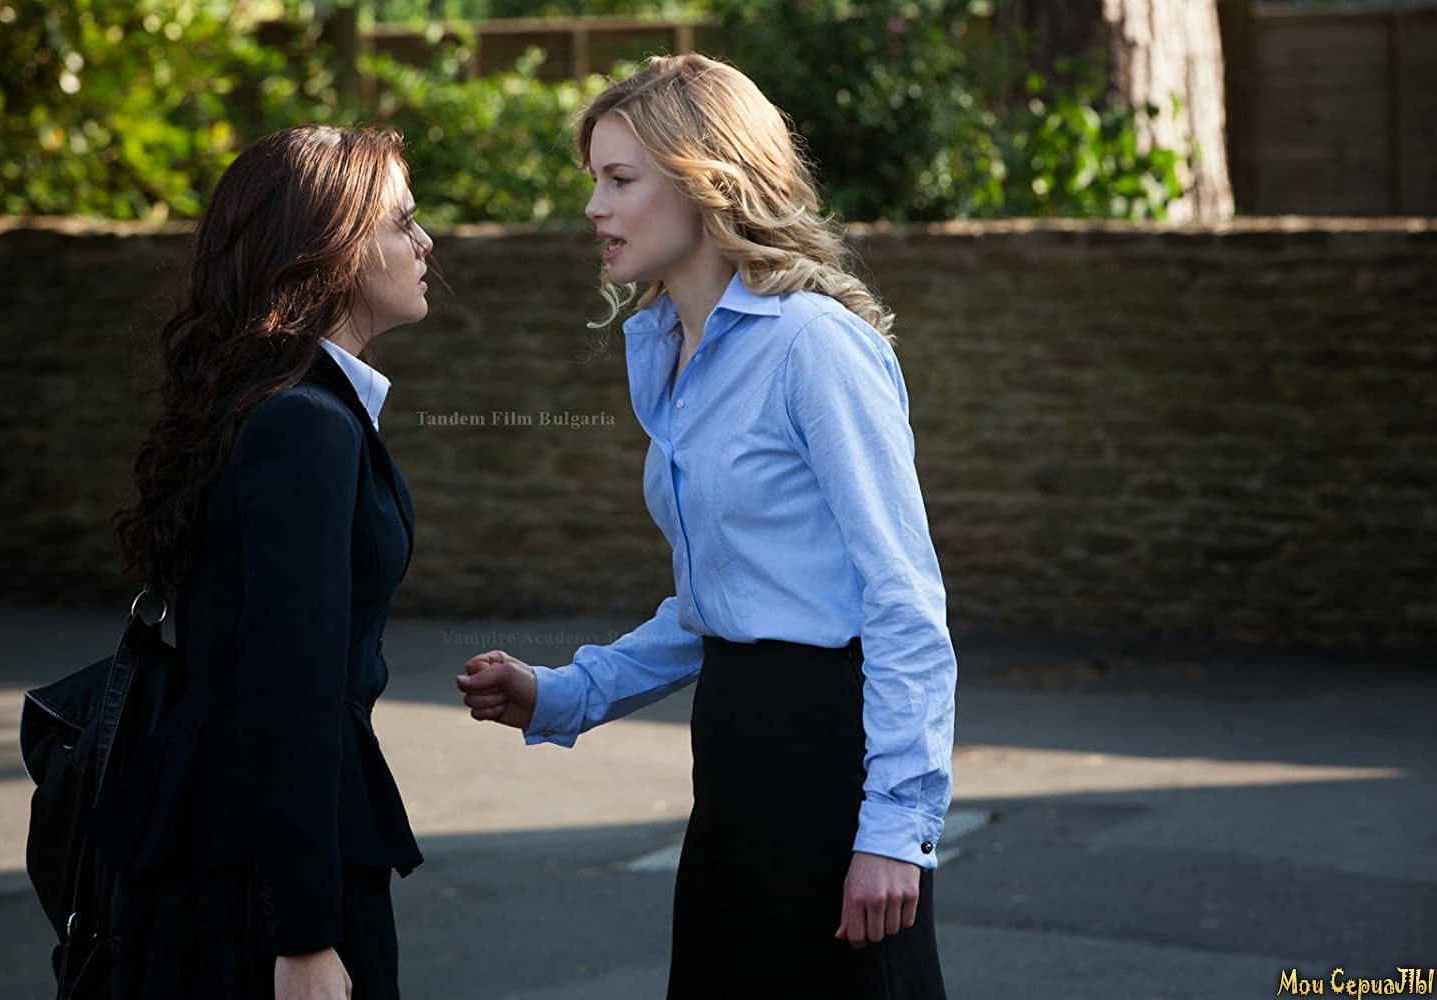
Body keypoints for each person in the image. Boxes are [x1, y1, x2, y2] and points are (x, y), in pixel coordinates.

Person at [456, 54, 956, 999]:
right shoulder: (669, 352)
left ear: (705, 179)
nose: (595, 208)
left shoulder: (813, 345)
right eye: (594, 181)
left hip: (827, 754)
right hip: (733, 752)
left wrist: (896, 827)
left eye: (620, 179)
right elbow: (717, 604)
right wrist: (566, 693)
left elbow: (904, 598)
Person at [101, 123, 435, 999]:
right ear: (333, 249)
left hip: (235, 845)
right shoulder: (304, 424)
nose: (426, 243)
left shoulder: (279, 405)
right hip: (258, 874)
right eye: (403, 221)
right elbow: (289, 692)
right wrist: (305, 937)